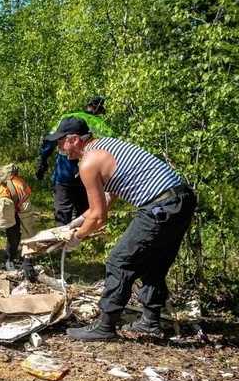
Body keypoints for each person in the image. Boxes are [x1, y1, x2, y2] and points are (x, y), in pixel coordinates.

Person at [44, 116, 196, 341]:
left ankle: (105, 326)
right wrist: (78, 221)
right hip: (182, 199)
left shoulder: (88, 162)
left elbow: (99, 217)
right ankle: (150, 321)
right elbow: (108, 196)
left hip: (160, 206)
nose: (61, 149)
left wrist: (77, 237)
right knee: (155, 261)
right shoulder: (107, 146)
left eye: (61, 143)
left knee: (119, 261)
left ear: (75, 139)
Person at [35, 97, 115, 226]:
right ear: (99, 110)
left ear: (88, 106)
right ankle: (82, 241)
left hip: (64, 173)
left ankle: (61, 242)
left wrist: (42, 159)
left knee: (62, 212)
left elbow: (50, 141)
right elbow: (110, 149)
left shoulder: (68, 118)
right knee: (84, 212)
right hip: (90, 176)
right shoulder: (102, 125)